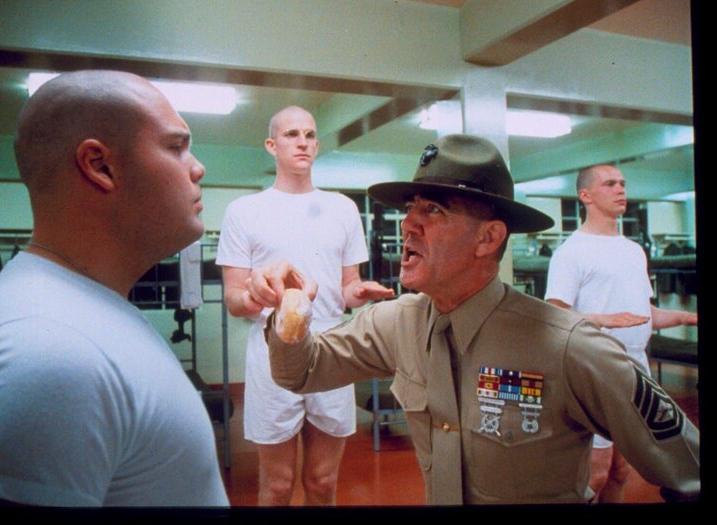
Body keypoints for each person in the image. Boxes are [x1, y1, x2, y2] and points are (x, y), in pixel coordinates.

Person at [248, 134, 699, 505]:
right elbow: (301, 371)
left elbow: (688, 469)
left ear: (488, 238)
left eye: (433, 210)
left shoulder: (568, 346)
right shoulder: (396, 322)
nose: (407, 224)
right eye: (411, 207)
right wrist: (289, 308)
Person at [0, 70, 229, 507]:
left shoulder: (83, 306)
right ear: (100, 166)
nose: (198, 168)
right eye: (176, 147)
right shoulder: (45, 353)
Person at [216, 105, 394, 506]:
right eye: (292, 134)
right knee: (278, 485)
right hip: (272, 345)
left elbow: (346, 288)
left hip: (331, 344)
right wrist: (257, 296)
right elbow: (233, 297)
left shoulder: (343, 208)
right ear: (271, 145)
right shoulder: (244, 211)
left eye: (310, 135)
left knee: (322, 480)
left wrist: (360, 292)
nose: (303, 142)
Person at [544, 163, 698, 503]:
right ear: (585, 196)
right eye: (610, 184)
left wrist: (688, 317)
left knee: (621, 470)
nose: (620, 190)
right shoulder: (571, 252)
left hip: (636, 369)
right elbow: (554, 315)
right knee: (595, 475)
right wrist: (603, 320)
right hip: (595, 369)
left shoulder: (633, 251)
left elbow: (644, 315)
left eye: (623, 183)